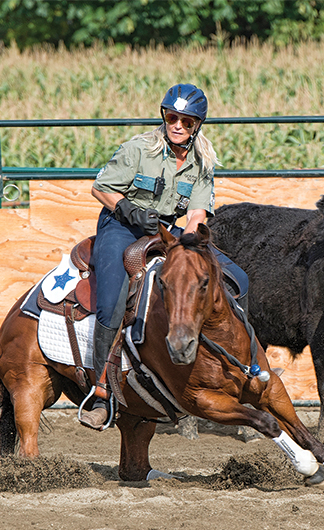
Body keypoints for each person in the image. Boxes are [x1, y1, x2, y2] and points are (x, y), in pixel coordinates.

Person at [80, 83, 247, 430]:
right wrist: (128, 210)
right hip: (121, 227)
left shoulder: (203, 162)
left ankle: (239, 371)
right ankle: (100, 392)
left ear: (197, 125)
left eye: (187, 122)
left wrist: (190, 242)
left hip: (171, 233)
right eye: (172, 117)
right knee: (111, 301)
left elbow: (198, 211)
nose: (178, 126)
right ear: (164, 116)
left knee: (237, 279)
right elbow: (101, 188)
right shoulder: (138, 149)